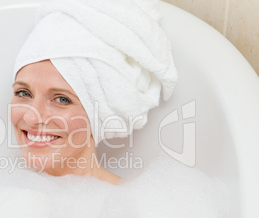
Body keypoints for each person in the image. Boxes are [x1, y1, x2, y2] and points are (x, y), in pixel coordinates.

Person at [10, 0, 177, 185]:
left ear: (101, 115)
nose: (32, 118)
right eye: (24, 93)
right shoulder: (5, 195)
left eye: (61, 99)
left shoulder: (124, 208)